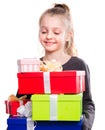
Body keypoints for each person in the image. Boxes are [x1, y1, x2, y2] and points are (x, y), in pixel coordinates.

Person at [16, 3, 95, 130]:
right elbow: (21, 104)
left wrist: (84, 125)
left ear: (68, 35)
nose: (49, 36)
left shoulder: (78, 65)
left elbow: (87, 103)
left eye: (56, 32)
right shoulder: (32, 67)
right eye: (44, 31)